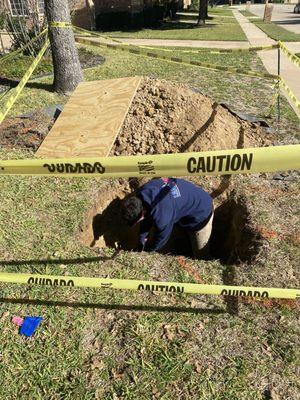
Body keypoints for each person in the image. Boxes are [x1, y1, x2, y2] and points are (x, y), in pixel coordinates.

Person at [121, 178, 214, 259]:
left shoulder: (163, 217)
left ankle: (205, 259)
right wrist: (141, 238)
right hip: (191, 196)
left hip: (202, 212)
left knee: (200, 255)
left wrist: (148, 251)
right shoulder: (143, 191)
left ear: (141, 214)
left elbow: (161, 240)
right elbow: (147, 216)